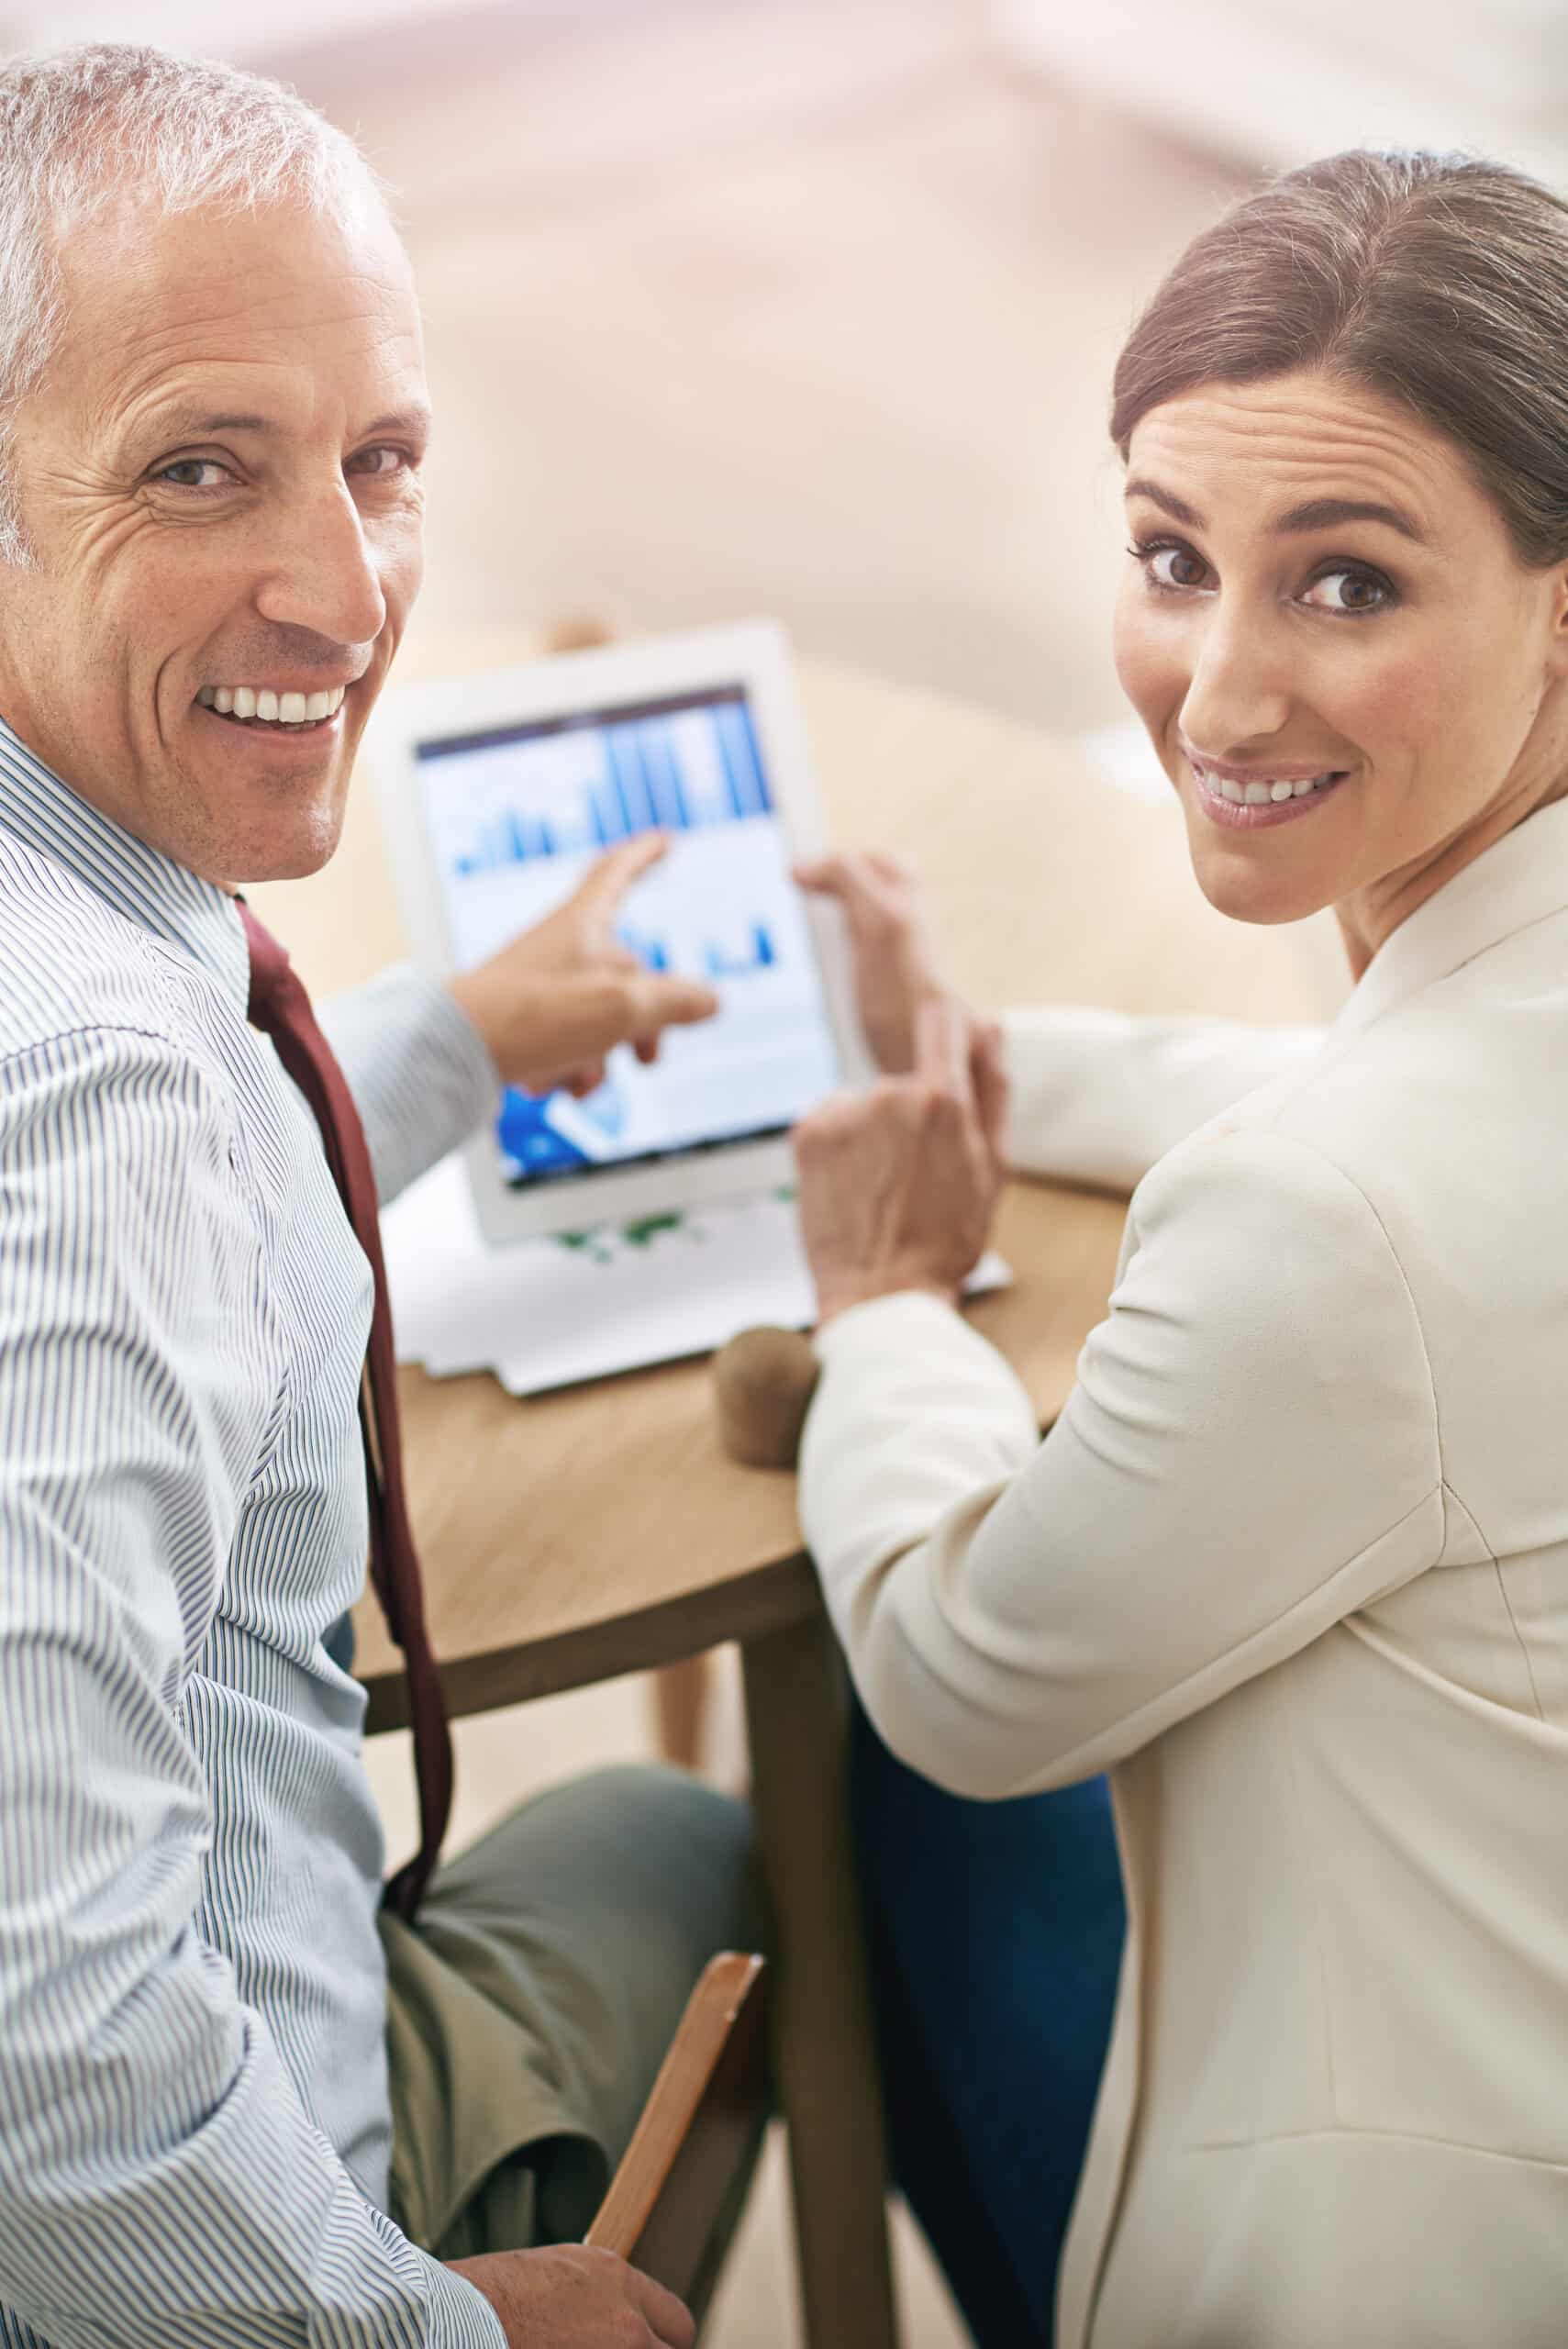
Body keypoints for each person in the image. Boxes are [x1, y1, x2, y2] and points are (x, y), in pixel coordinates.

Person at [0, 44, 759, 2349]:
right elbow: (43, 2044)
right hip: (195, 2232)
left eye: (382, 462)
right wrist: (434, 2333)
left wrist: (428, 1045)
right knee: (730, 1837)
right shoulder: (105, 1100)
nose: (341, 592)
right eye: (198, 470)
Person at [792, 149, 1568, 2347]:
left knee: (893, 1767)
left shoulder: (1332, 1217)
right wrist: (984, 1049)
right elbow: (1415, 1145)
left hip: (1414, 2261)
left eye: (1344, 587)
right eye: (1171, 558)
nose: (1218, 700)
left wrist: (882, 1309)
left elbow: (963, 1681)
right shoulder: (1442, 1096)